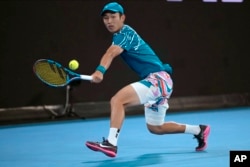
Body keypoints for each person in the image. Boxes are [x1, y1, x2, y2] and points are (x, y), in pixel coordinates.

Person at [85, 2, 210, 158]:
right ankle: (199, 130)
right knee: (155, 127)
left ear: (122, 18)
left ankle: (111, 143)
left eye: (113, 17)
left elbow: (111, 53)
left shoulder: (125, 33)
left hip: (158, 79)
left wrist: (100, 71)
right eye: (106, 18)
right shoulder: (119, 36)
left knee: (117, 100)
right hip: (164, 82)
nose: (109, 21)